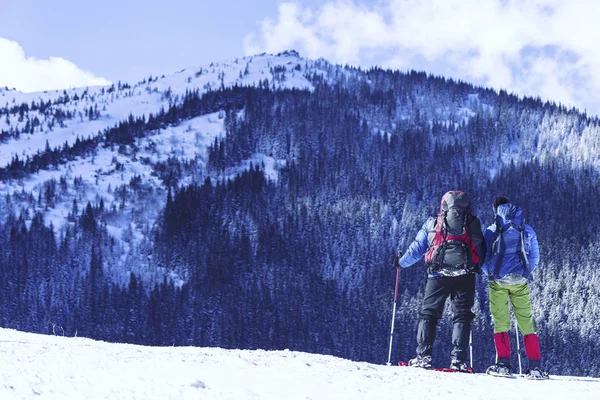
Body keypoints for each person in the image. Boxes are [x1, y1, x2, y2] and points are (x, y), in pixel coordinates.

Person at [396, 190, 485, 372]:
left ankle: (423, 356)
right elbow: (480, 250)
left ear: (443, 206)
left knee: (429, 313)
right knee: (462, 315)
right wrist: (481, 270)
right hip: (465, 274)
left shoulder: (433, 223)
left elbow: (416, 249)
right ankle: (458, 360)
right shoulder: (472, 223)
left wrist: (400, 263)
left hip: (437, 274)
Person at [482, 196, 549, 379]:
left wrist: (490, 273)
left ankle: (503, 365)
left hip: (498, 282)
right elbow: (535, 256)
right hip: (520, 281)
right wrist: (526, 272)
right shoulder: (526, 229)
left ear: (496, 211)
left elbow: (482, 257)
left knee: (501, 322)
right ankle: (534, 368)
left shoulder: (491, 230)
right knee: (526, 322)